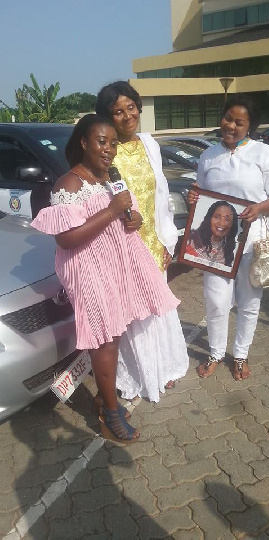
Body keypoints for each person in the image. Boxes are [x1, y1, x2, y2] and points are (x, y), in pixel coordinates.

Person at [31, 114, 187, 443]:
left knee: (113, 335)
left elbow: (121, 216)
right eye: (102, 141)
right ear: (84, 143)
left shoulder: (107, 178)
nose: (109, 149)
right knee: (105, 340)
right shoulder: (69, 184)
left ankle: (104, 398)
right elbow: (66, 238)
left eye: (113, 143)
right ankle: (110, 415)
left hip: (112, 266)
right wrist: (112, 212)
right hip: (88, 272)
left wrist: (132, 219)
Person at [96, 80, 189, 394]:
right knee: (135, 313)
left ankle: (164, 367)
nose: (127, 116)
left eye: (131, 107)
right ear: (109, 118)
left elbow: (160, 196)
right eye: (118, 112)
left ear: (138, 106)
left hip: (153, 242)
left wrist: (165, 241)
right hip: (125, 245)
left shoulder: (149, 143)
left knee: (158, 308)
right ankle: (140, 375)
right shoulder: (106, 150)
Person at [188, 93, 269, 381]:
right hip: (216, 242)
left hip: (252, 240)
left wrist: (260, 208)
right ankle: (216, 353)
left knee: (248, 301)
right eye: (228, 118)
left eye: (239, 122)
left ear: (250, 126)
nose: (231, 125)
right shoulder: (208, 155)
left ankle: (240, 354)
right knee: (217, 301)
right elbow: (203, 194)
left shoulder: (263, 153)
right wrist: (194, 194)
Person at [186, 200, 238, 268]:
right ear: (209, 218)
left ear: (232, 225)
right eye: (217, 217)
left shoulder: (229, 251)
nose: (221, 223)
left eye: (227, 219)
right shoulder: (191, 238)